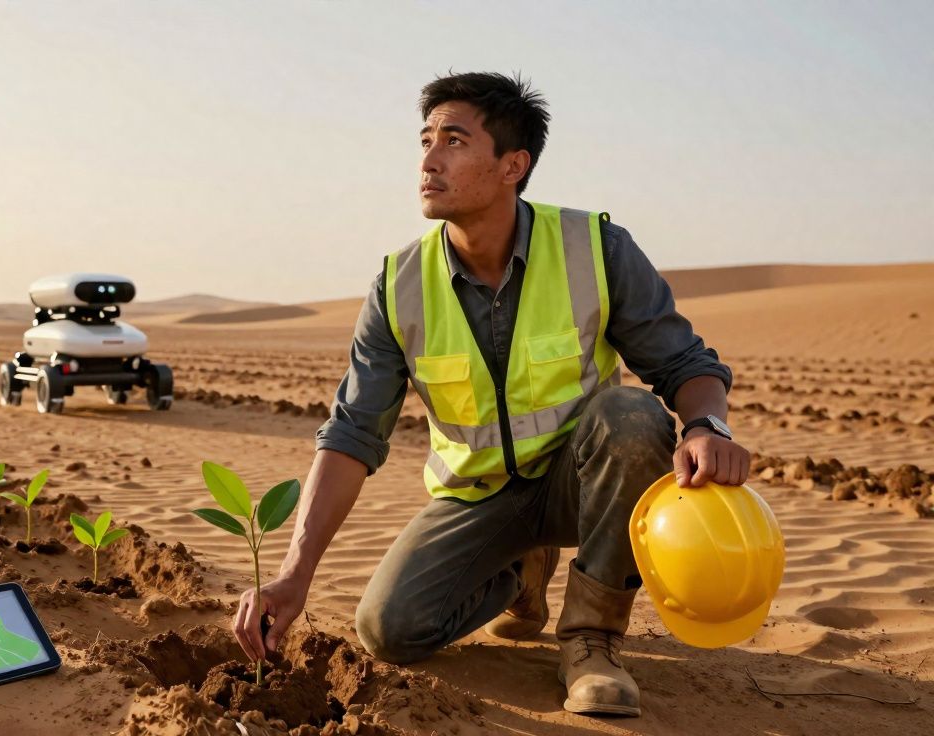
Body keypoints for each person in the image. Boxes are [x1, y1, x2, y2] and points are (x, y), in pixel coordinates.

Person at [230, 71, 751, 717]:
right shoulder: (399, 285)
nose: (428, 160)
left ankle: (592, 639)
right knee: (390, 632)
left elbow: (685, 364)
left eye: (453, 140)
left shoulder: (596, 249)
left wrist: (708, 426)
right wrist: (294, 574)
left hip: (584, 488)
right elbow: (352, 434)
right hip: (481, 498)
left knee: (632, 415)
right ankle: (518, 575)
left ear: (513, 164)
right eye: (425, 140)